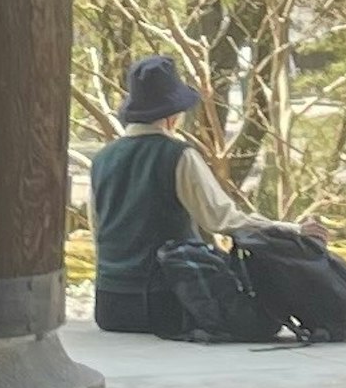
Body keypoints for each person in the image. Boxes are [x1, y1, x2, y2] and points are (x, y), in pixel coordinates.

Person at [86, 55, 259, 337]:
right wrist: (292, 230)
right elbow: (220, 219)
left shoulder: (102, 159)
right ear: (171, 115)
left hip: (110, 305)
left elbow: (97, 230)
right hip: (167, 305)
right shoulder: (178, 155)